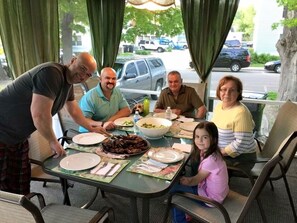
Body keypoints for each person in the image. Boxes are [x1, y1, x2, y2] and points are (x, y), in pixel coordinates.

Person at [0, 52, 108, 195]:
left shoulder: (68, 84)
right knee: (4, 193)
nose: (83, 76)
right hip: (2, 132)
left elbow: (74, 110)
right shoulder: (51, 73)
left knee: (19, 188)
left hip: (18, 137)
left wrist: (90, 127)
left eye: (88, 74)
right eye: (82, 68)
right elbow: (39, 114)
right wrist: (53, 141)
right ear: (72, 61)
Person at [170, 121, 229, 223]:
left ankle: (180, 221)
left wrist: (186, 181)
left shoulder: (211, 160)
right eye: (197, 136)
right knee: (181, 183)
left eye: (205, 137)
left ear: (214, 139)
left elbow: (195, 180)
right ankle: (187, 213)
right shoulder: (213, 152)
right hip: (216, 191)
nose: (200, 141)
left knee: (174, 189)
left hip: (211, 199)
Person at [211, 75, 257, 172]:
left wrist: (219, 153)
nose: (227, 93)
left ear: (238, 92)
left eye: (232, 90)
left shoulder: (241, 113)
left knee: (204, 162)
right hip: (223, 151)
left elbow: (241, 143)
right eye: (223, 89)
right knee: (197, 152)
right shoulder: (220, 106)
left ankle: (206, 185)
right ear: (219, 91)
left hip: (241, 159)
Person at [79, 67, 131, 132]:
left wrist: (110, 121)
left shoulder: (117, 91)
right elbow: (84, 120)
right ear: (100, 79)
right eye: (107, 78)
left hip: (109, 130)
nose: (111, 81)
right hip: (90, 133)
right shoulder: (90, 97)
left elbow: (126, 110)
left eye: (113, 78)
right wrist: (102, 124)